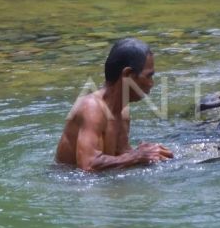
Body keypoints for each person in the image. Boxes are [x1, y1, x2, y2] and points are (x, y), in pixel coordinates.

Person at [55, 38, 174, 171]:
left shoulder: (123, 112)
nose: (152, 83)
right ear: (128, 75)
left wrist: (150, 154)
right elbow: (88, 165)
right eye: (148, 76)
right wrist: (137, 156)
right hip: (70, 185)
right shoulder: (92, 108)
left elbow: (122, 157)